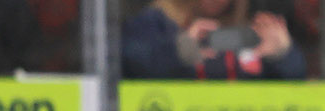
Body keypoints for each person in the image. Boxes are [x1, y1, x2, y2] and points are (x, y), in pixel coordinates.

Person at [121, 0, 307, 80]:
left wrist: (284, 55)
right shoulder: (156, 22)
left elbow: (294, 81)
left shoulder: (253, 27)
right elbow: (129, 63)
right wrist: (176, 53)